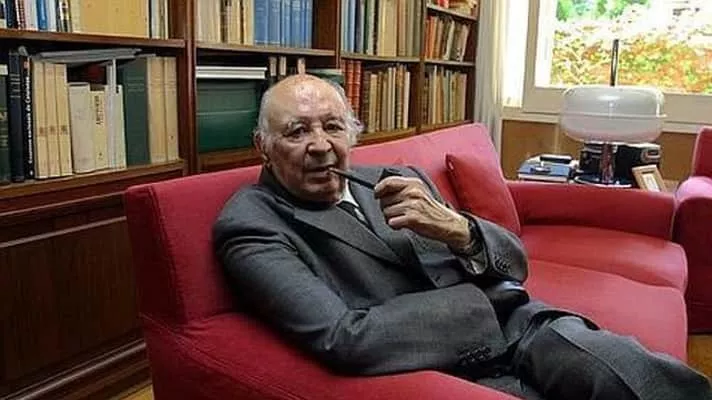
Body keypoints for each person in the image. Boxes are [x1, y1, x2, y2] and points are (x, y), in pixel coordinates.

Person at [213, 74, 711, 400]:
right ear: (263, 146)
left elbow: (515, 266)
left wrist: (461, 231)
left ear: (352, 134)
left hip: (527, 328)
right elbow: (344, 338)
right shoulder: (252, 224)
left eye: (332, 127)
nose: (321, 146)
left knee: (647, 381)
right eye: (297, 132)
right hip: (444, 362)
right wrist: (484, 303)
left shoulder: (395, 177)